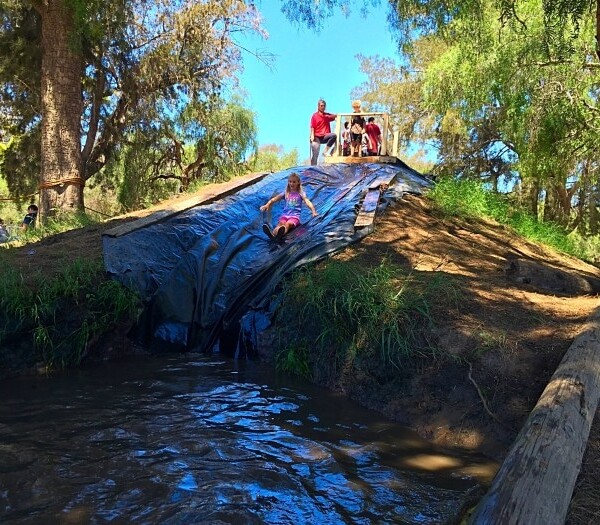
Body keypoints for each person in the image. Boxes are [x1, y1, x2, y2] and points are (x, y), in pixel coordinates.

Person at [260, 172, 318, 240]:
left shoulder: (301, 193)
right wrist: (267, 205)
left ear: (298, 183)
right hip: (285, 215)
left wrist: (313, 211)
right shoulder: (286, 193)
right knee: (280, 224)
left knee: (287, 224)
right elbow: (274, 199)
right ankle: (273, 234)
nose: (291, 183)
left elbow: (307, 201)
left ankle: (280, 234)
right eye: (290, 181)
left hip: (294, 217)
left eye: (294, 182)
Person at [309, 99, 337, 166]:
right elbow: (312, 126)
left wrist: (337, 116)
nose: (323, 107)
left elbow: (334, 116)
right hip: (316, 137)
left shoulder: (326, 115)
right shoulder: (315, 115)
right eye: (321, 106)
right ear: (318, 106)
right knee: (315, 153)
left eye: (324, 106)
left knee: (334, 135)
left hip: (324, 136)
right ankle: (313, 167)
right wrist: (312, 135)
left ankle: (325, 152)